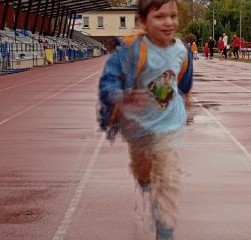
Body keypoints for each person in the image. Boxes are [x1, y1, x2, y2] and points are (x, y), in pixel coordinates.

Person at [98, 0, 193, 239]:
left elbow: (184, 79)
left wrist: (187, 99)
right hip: (138, 127)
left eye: (173, 16)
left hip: (168, 126)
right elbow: (108, 82)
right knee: (143, 171)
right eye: (160, 17)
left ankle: (164, 229)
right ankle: (145, 182)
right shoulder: (130, 51)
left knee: (168, 176)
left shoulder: (182, 50)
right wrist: (122, 95)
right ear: (143, 22)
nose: (169, 22)